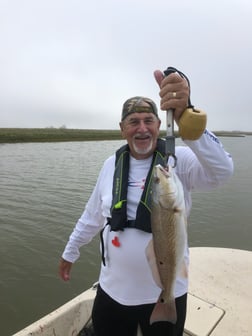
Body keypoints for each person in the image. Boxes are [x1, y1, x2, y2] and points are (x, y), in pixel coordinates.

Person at [59, 69, 233, 336]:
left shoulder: (178, 161)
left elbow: (223, 172)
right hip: (112, 292)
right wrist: (70, 252)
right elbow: (92, 215)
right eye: (133, 122)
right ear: (122, 130)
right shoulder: (110, 165)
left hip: (165, 292)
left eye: (149, 120)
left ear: (159, 125)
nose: (142, 128)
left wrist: (187, 115)